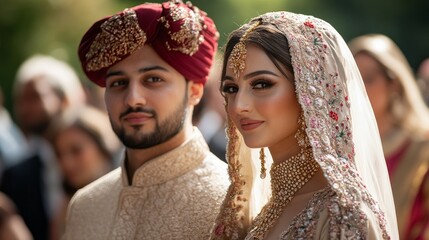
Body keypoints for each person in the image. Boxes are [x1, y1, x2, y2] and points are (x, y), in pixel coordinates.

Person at [211, 12, 399, 239]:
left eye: (262, 84)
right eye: (231, 88)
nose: (239, 105)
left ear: (310, 90)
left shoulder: (341, 214)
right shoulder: (266, 209)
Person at [62, 1, 229, 239]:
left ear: (195, 91)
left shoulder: (230, 203)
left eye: (153, 79)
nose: (133, 99)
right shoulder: (85, 206)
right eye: (118, 83)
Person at [349, 34, 429, 239]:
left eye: (368, 79)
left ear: (393, 83)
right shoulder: (343, 149)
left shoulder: (422, 148)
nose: (359, 89)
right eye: (352, 78)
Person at [1, 55, 86, 240]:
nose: (25, 108)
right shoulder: (15, 176)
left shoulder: (96, 159)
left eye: (35, 97)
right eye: (21, 99)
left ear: (64, 100)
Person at [49, 106, 121, 240]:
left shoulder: (128, 198)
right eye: (59, 154)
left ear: (102, 148)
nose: (66, 163)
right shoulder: (65, 209)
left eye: (76, 150)